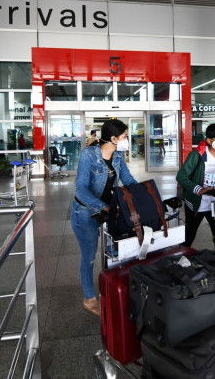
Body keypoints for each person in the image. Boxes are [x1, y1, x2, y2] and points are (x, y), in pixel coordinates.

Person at [71, 119, 138, 315]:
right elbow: (81, 189)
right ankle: (89, 298)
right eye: (125, 136)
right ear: (113, 138)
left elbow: (128, 179)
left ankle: (112, 289)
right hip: (85, 211)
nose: (127, 139)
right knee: (89, 257)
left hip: (109, 209)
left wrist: (144, 193)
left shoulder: (118, 155)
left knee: (115, 253)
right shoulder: (88, 155)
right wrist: (104, 207)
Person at [176, 123, 215, 247]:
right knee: (189, 235)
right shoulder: (197, 155)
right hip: (197, 201)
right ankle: (183, 254)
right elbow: (181, 176)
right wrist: (199, 189)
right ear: (209, 140)